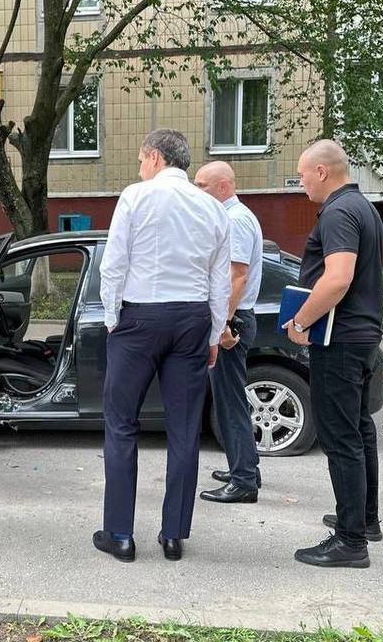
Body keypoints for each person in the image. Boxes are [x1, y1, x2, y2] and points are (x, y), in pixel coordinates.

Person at [94, 129, 231, 563]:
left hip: (139, 317)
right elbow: (219, 279)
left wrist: (113, 318)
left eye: (140, 158)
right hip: (191, 318)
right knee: (184, 428)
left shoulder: (135, 196)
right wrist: (213, 333)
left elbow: (114, 262)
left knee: (120, 424)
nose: (139, 167)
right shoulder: (212, 207)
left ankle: (119, 534)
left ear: (154, 157)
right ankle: (174, 535)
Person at [284, 140, 383, 568]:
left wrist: (301, 321)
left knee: (341, 438)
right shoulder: (363, 206)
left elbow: (337, 279)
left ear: (322, 172)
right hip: (361, 338)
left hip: (339, 340)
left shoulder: (340, 212)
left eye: (303, 174)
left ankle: (349, 542)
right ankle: (364, 520)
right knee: (359, 430)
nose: (301, 182)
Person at [193, 161, 263, 503]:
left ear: (223, 187)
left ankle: (244, 481)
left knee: (229, 403)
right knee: (232, 398)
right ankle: (246, 464)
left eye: (202, 185)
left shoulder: (234, 221)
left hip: (232, 322)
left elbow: (238, 277)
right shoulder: (234, 217)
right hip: (236, 317)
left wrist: (222, 324)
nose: (197, 191)